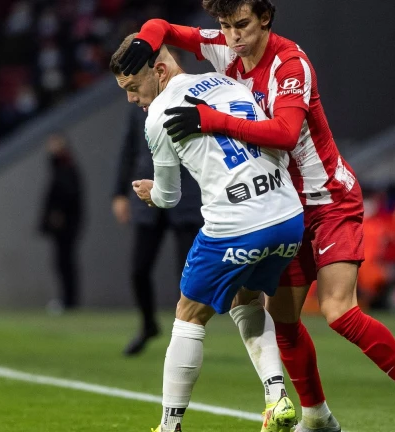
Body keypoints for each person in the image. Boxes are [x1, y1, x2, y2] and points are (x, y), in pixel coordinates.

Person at [117, 2, 395, 431]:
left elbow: (286, 134)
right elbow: (163, 27)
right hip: (282, 203)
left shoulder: (290, 65)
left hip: (327, 198)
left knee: (338, 310)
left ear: (265, 19)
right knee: (284, 323)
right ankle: (317, 417)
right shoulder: (225, 47)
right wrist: (145, 42)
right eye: (225, 26)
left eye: (242, 25)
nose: (233, 36)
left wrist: (210, 120)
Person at [112, 35, 304, 432]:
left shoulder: (159, 113)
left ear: (159, 70)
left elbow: (168, 196)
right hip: (287, 216)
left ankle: (169, 426)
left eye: (133, 87)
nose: (131, 99)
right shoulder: (225, 81)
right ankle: (277, 398)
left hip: (237, 224)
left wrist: (150, 192)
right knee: (245, 298)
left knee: (188, 314)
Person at [112, 104, 202, 355]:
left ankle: (186, 333)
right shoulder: (138, 107)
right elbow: (129, 149)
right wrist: (119, 193)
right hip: (148, 197)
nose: (131, 95)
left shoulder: (186, 99)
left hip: (186, 195)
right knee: (138, 269)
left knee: (187, 274)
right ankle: (148, 324)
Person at [39, 133, 84, 311]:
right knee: (62, 262)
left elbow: (67, 194)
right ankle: (67, 299)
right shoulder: (58, 166)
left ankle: (69, 300)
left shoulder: (67, 166)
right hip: (63, 224)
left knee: (65, 262)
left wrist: (59, 214)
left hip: (67, 224)